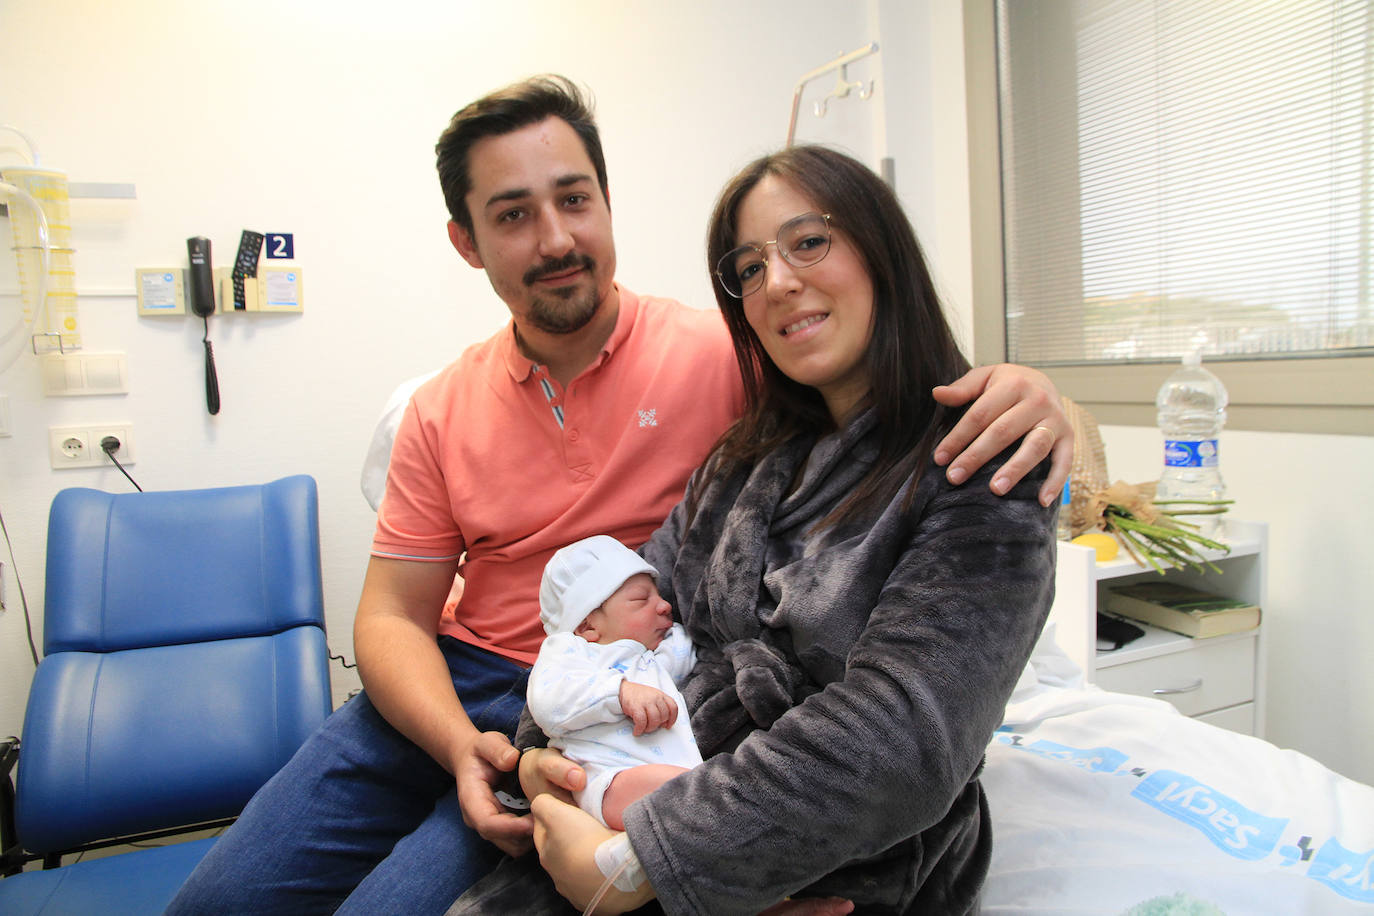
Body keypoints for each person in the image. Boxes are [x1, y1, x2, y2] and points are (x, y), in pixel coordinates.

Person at [167, 75, 1071, 915]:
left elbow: (910, 408)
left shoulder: (731, 361)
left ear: (606, 203)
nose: (556, 239)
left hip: (630, 709)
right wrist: (483, 749)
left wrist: (1043, 397)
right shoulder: (448, 411)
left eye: (573, 200)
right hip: (489, 689)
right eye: (513, 214)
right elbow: (392, 617)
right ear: (467, 242)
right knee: (217, 904)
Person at [457, 144, 1060, 916]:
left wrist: (645, 862)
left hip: (841, 864)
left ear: (882, 250)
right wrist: (546, 765)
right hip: (641, 803)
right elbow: (614, 614)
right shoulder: (742, 460)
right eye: (748, 268)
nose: (776, 282)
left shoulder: (982, 463)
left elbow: (905, 740)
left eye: (808, 241)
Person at [530, 535, 701, 831]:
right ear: (588, 625)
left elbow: (689, 649)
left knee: (699, 791)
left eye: (659, 595)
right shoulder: (570, 652)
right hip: (609, 779)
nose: (664, 605)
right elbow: (548, 701)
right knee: (693, 793)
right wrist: (619, 693)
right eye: (641, 599)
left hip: (667, 777)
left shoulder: (651, 659)